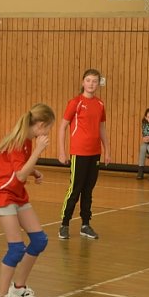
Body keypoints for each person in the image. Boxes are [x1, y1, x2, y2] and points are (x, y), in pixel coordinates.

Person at [0, 103, 55, 297]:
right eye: (49, 128)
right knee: (16, 248)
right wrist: (39, 151)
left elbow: (22, 168)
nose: (48, 132)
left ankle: (19, 288)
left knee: (39, 240)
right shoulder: (20, 143)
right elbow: (20, 175)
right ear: (41, 125)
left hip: (17, 194)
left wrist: (35, 172)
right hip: (3, 195)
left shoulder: (25, 140)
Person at [57, 68, 111, 240]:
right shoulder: (75, 102)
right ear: (83, 82)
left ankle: (85, 224)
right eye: (88, 80)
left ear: (98, 84)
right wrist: (61, 151)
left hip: (94, 153)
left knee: (88, 190)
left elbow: (101, 128)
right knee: (75, 189)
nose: (91, 84)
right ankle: (64, 224)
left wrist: (107, 150)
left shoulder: (100, 104)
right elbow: (63, 127)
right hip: (78, 153)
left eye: (94, 81)